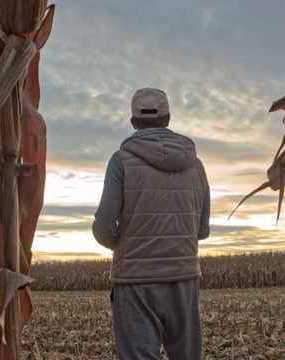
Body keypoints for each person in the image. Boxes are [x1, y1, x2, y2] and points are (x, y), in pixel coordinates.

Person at [93, 87, 211, 359]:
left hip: (135, 282)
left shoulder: (121, 161)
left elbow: (103, 229)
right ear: (168, 119)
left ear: (133, 123)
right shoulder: (196, 166)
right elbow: (201, 230)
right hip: (184, 280)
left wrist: (127, 243)